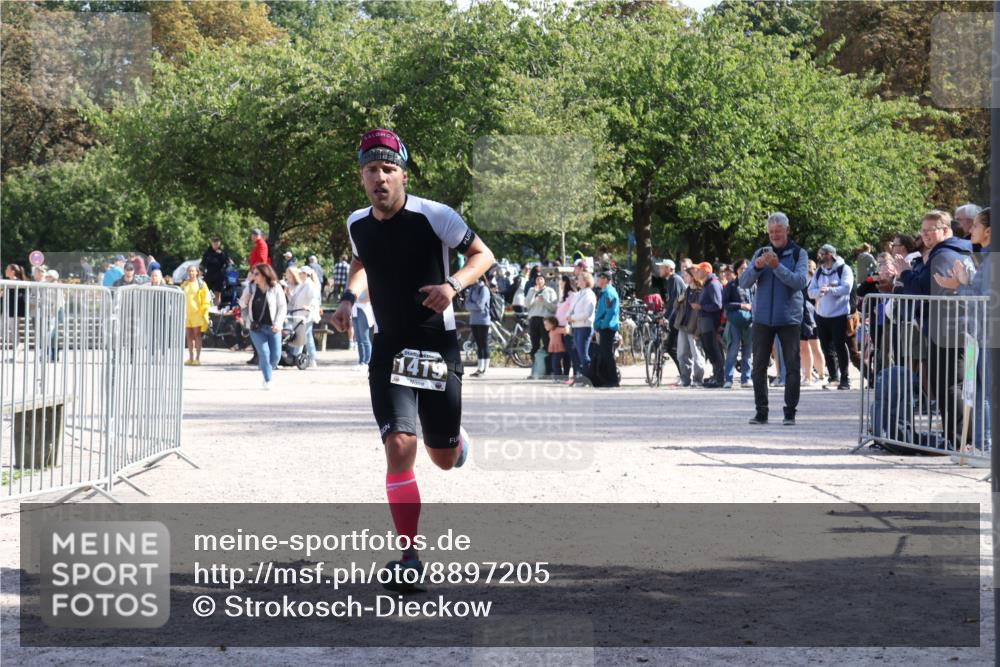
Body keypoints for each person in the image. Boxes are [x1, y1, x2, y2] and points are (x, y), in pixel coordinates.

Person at [330, 128, 494, 590]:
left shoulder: (435, 216)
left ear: (402, 173)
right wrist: (348, 299)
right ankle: (409, 556)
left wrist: (453, 287)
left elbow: (483, 254)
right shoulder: (356, 222)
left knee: (441, 458)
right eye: (370, 170)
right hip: (389, 348)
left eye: (387, 169)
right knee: (400, 446)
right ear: (362, 177)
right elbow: (362, 261)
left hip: (436, 346)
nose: (379, 178)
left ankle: (454, 440)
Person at [739, 212, 809, 426]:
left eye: (778, 231)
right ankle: (761, 411)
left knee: (792, 366)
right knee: (759, 366)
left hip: (789, 318)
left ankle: (790, 412)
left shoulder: (799, 253)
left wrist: (777, 267)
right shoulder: (760, 252)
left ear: (787, 230)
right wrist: (757, 267)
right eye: (771, 232)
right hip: (762, 318)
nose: (775, 235)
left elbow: (799, 282)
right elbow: (743, 282)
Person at [808, 243, 854, 390]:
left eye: (823, 254)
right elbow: (810, 291)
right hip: (821, 315)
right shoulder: (819, 272)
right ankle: (833, 377)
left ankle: (845, 379)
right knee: (826, 347)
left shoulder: (844, 269)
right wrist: (819, 292)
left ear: (831, 255)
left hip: (839, 314)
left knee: (840, 346)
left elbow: (846, 288)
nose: (820, 257)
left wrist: (830, 290)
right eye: (819, 254)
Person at [240, 263, 287, 388]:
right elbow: (241, 304)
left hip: (273, 327)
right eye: (253, 273)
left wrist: (278, 323)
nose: (253, 276)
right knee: (264, 353)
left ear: (265, 274)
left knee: (276, 356)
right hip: (256, 328)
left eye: (256, 274)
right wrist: (246, 299)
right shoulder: (250, 288)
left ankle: (267, 370)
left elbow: (282, 307)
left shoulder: (276, 287)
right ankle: (268, 380)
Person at [690, 262, 724, 387]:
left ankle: (719, 378)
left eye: (699, 270)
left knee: (713, 349)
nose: (696, 272)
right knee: (709, 348)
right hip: (705, 321)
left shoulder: (713, 284)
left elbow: (718, 305)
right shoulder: (707, 284)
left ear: (706, 271)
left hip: (711, 321)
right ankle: (716, 376)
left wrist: (701, 306)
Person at [723, 259, 753, 388]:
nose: (744, 270)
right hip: (735, 321)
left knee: (748, 351)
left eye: (746, 268)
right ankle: (728, 379)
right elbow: (725, 304)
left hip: (750, 322)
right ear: (736, 270)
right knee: (733, 350)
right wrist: (741, 305)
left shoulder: (753, 285)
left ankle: (746, 378)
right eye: (741, 268)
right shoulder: (731, 285)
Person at [673, 266, 705, 387]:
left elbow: (701, 312)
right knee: (681, 353)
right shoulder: (686, 291)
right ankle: (685, 378)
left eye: (686, 275)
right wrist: (679, 300)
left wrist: (698, 330)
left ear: (693, 277)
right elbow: (675, 306)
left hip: (694, 327)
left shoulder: (701, 292)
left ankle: (698, 379)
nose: (684, 277)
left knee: (697, 354)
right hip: (682, 325)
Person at [592, 272, 620, 387]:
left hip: (607, 328)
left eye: (600, 278)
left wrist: (602, 324)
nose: (598, 280)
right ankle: (605, 379)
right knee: (604, 354)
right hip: (604, 327)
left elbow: (610, 312)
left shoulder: (609, 292)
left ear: (606, 280)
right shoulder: (605, 292)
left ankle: (613, 380)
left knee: (607, 354)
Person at [799, 261, 825, 386]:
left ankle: (821, 375)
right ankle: (807, 377)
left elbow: (818, 300)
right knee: (803, 348)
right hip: (800, 315)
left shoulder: (815, 280)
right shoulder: (798, 280)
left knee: (815, 346)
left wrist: (817, 316)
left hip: (811, 316)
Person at [568, 271, 596, 384]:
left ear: (585, 281)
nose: (577, 280)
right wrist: (569, 317)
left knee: (583, 354)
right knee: (578, 354)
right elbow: (572, 309)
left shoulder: (590, 294)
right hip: (576, 326)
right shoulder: (579, 293)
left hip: (585, 327)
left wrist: (573, 317)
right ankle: (582, 376)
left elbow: (587, 313)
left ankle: (589, 378)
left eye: (579, 278)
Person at [181, 265, 211, 366]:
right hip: (187, 314)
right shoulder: (185, 284)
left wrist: (204, 312)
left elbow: (206, 298)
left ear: (197, 272)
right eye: (189, 271)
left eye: (193, 271)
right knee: (189, 336)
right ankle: (190, 357)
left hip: (197, 313)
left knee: (197, 335)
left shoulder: (201, 284)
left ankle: (197, 358)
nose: (191, 273)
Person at [525, 272, 557, 362]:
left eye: (541, 279)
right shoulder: (531, 290)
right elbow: (527, 304)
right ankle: (535, 368)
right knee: (534, 345)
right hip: (533, 319)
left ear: (544, 280)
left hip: (545, 320)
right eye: (537, 279)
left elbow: (554, 308)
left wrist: (545, 301)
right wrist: (533, 293)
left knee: (547, 343)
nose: (539, 281)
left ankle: (548, 368)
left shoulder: (550, 291)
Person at [466, 274, 492, 377]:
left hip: (483, 320)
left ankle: (485, 368)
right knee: (478, 345)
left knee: (484, 344)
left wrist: (473, 304)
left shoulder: (484, 289)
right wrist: (474, 304)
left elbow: (481, 306)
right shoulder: (472, 289)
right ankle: (479, 368)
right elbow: (466, 305)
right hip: (474, 320)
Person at [555, 274, 577, 378]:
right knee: (562, 351)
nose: (559, 283)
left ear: (565, 282)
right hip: (559, 326)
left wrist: (568, 323)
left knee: (570, 350)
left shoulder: (572, 294)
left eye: (560, 281)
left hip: (566, 326)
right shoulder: (563, 295)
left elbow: (571, 310)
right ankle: (564, 374)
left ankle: (574, 373)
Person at [201, 237, 231, 306]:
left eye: (217, 243)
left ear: (219, 243)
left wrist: (222, 255)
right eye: (214, 243)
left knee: (218, 293)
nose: (215, 244)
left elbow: (227, 263)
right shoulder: (208, 252)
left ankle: (216, 307)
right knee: (207, 291)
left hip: (219, 275)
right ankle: (208, 305)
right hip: (209, 274)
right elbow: (203, 263)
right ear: (212, 243)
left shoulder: (223, 252)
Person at [352, 289, 375, 370]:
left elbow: (369, 297)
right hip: (354, 309)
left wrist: (357, 300)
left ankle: (367, 362)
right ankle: (361, 362)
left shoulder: (366, 283)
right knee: (358, 339)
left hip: (363, 310)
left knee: (364, 338)